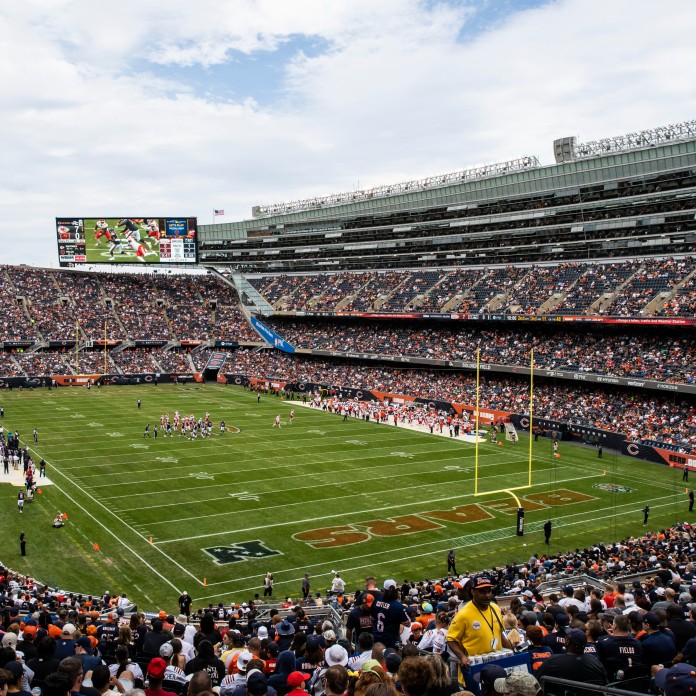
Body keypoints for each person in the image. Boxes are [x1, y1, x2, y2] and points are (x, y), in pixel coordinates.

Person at [447, 574, 512, 689]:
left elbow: (499, 632)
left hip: (497, 667)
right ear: (473, 592)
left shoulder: (495, 608)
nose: (487, 596)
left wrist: (511, 649)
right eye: (482, 592)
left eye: (489, 591)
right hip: (475, 670)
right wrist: (462, 657)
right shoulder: (463, 615)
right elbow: (451, 639)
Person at [535, 628, 607, 695]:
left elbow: (536, 681)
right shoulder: (596, 661)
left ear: (567, 642)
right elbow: (605, 683)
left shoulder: (552, 661)